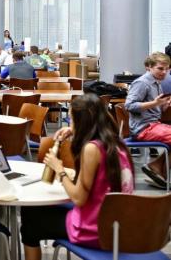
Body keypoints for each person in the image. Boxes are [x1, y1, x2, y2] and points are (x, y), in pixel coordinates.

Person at [20, 94, 134, 259]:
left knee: (30, 220)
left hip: (94, 230)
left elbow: (79, 198)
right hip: (117, 226)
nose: (70, 125)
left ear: (82, 121)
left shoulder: (91, 149)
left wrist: (59, 169)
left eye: (72, 120)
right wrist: (74, 130)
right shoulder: (117, 143)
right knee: (39, 213)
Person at [124, 52, 171, 188]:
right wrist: (155, 104)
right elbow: (129, 106)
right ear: (148, 67)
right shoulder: (142, 83)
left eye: (166, 69)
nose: (164, 72)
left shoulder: (157, 84)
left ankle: (156, 167)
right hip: (143, 128)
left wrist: (163, 105)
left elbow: (154, 110)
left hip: (152, 125)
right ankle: (156, 167)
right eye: (160, 68)